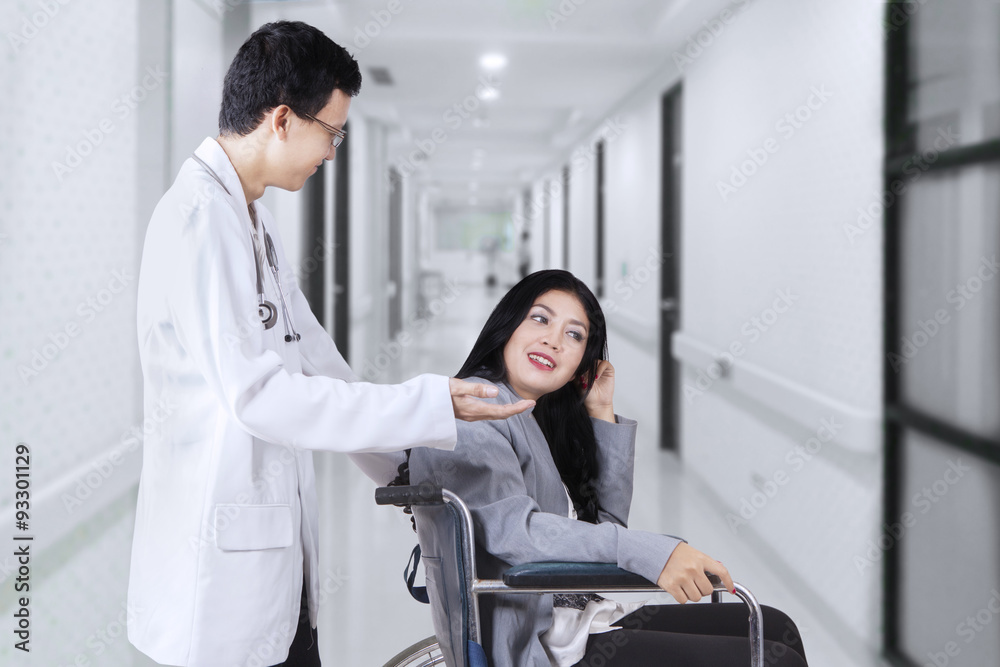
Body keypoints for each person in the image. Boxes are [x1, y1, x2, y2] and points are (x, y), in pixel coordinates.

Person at [126, 21, 532, 667]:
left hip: (269, 561)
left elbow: (314, 358)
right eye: (332, 132)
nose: (333, 152)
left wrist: (406, 463)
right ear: (283, 118)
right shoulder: (202, 220)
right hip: (216, 578)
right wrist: (429, 403)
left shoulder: (252, 216)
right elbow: (258, 396)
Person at [397, 270, 809, 666]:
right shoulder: (473, 418)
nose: (554, 340)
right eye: (540, 318)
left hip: (578, 617)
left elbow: (603, 526)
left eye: (574, 335)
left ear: (582, 362)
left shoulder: (523, 413)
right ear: (507, 324)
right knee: (775, 660)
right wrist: (651, 553)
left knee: (777, 629)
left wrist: (601, 413)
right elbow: (517, 534)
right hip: (539, 643)